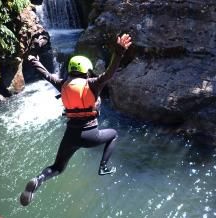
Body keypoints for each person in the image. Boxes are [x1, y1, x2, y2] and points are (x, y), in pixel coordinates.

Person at [20, 33, 132, 206]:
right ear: (86, 71)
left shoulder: (62, 84)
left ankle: (38, 180)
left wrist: (33, 60)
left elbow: (45, 74)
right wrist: (118, 52)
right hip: (90, 135)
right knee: (114, 134)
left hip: (70, 135)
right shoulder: (93, 84)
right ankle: (104, 167)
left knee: (57, 167)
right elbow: (109, 73)